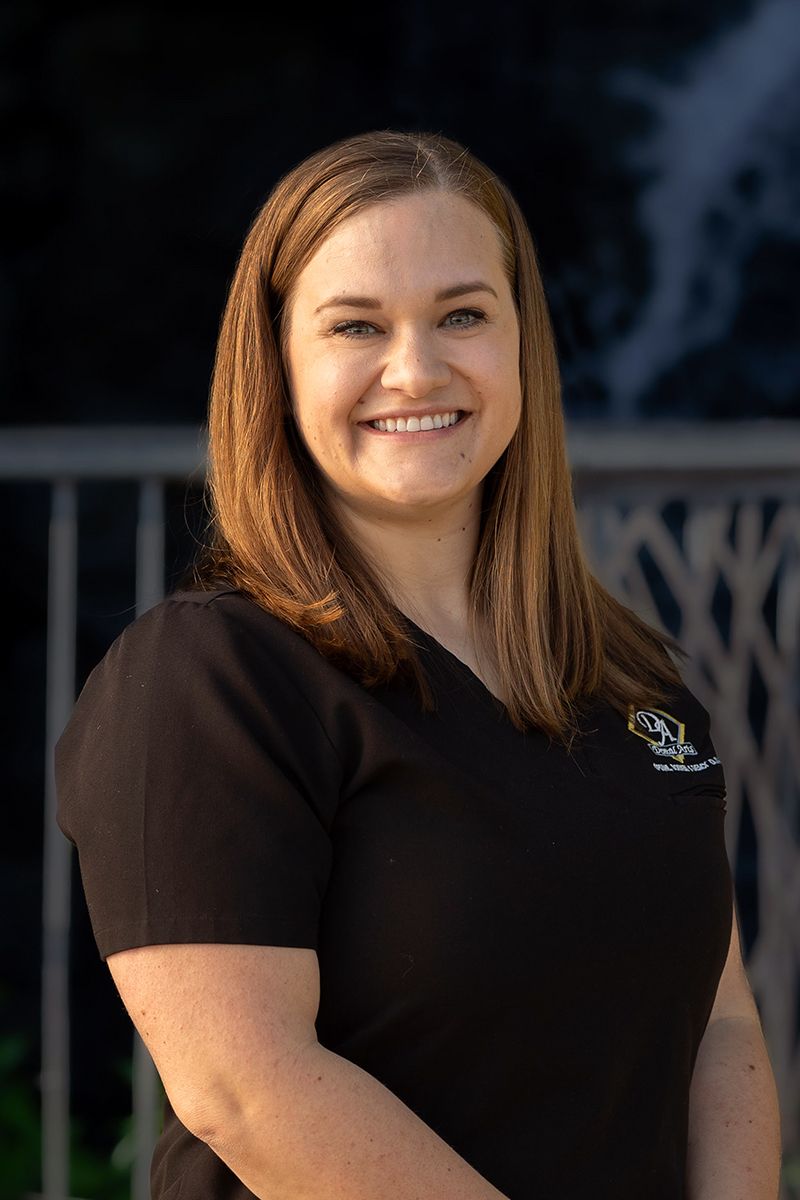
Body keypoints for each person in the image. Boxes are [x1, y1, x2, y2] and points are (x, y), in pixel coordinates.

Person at [55, 130, 781, 1200]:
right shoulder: (207, 677)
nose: (417, 368)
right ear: (277, 365)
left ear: (520, 341)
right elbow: (245, 1091)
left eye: (462, 315)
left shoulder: (628, 684)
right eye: (356, 325)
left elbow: (719, 1025)